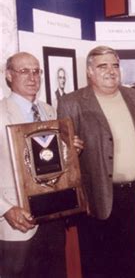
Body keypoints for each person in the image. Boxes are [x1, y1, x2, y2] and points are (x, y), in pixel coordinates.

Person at [57, 46, 135, 277]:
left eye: (115, 65)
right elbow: (64, 155)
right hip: (96, 196)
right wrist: (69, 148)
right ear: (90, 71)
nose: (111, 71)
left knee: (129, 259)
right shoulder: (72, 102)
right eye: (103, 66)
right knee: (97, 263)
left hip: (132, 195)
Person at [0, 52, 82, 277]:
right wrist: (5, 209)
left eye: (36, 71)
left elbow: (49, 161)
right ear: (9, 75)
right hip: (17, 220)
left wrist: (69, 152)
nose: (32, 76)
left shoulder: (48, 110)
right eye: (24, 71)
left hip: (52, 214)